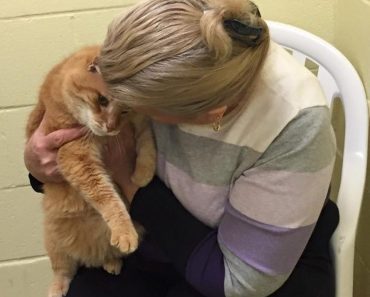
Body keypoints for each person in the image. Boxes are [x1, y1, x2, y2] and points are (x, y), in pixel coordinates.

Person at [24, 0, 339, 296]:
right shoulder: (166, 39)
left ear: (208, 116)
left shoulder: (295, 124)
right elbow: (72, 128)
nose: (118, 119)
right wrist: (39, 167)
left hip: (241, 271)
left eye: (136, 107)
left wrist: (127, 180)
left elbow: (240, 281)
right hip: (151, 239)